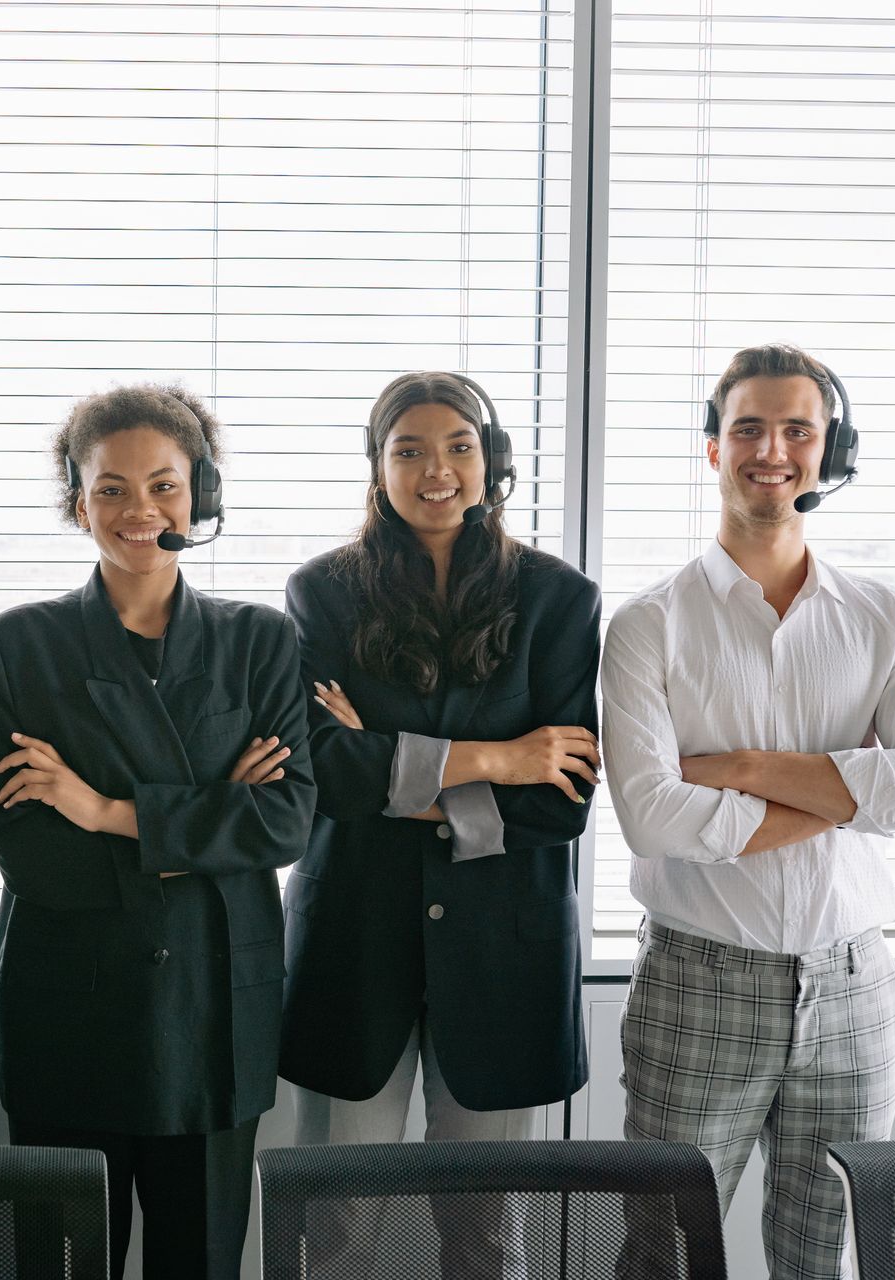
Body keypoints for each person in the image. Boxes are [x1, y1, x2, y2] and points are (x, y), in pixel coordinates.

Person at [601, 344, 895, 1280]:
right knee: (664, 1255)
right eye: (749, 428)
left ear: (829, 449)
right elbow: (651, 816)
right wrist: (849, 792)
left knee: (826, 1259)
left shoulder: (882, 615)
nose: (773, 449)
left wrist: (750, 769)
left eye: (798, 428)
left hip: (854, 990)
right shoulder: (650, 623)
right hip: (698, 984)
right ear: (713, 450)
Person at [0, 383, 315, 1280]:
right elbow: (32, 856)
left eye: (163, 485)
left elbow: (283, 820)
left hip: (213, 1002)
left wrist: (100, 810)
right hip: (68, 998)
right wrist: (205, 826)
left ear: (199, 494)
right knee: (58, 1262)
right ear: (75, 501)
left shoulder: (262, 641)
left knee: (199, 1262)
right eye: (111, 488)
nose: (139, 511)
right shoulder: (17, 645)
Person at [278, 371, 601, 1277]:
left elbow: (560, 800)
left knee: (488, 1233)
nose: (436, 470)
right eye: (409, 449)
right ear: (377, 466)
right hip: (355, 938)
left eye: (459, 446)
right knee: (336, 1226)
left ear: (492, 460)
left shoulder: (559, 600)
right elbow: (323, 775)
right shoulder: (320, 595)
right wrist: (499, 757)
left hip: (506, 949)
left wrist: (389, 759)